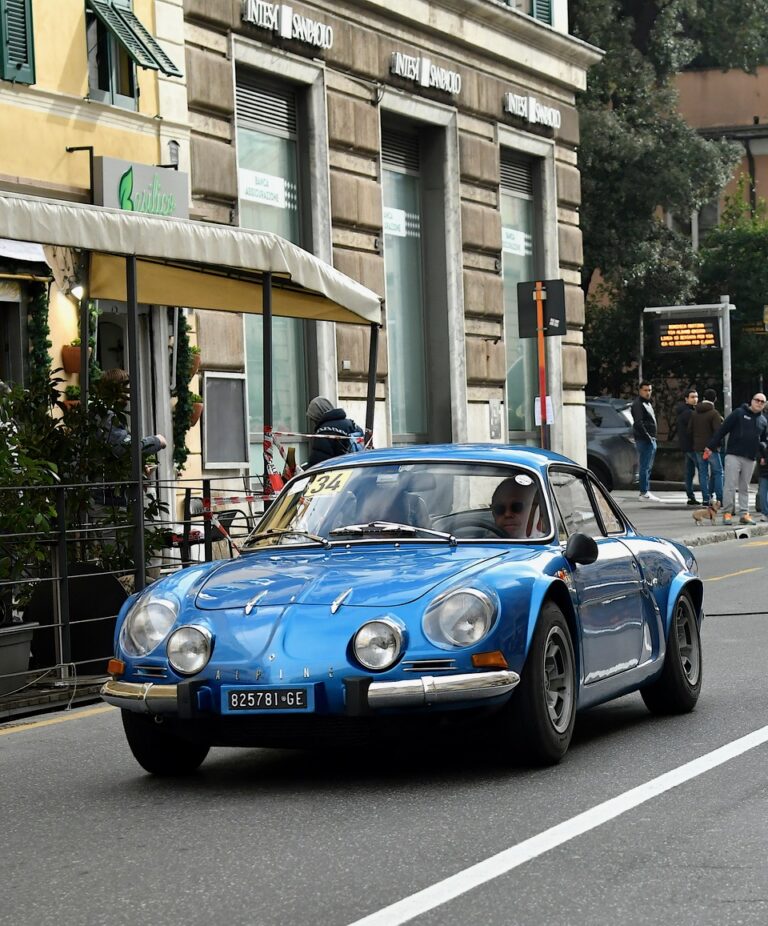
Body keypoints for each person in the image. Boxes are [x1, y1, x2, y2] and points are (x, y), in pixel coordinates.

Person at [704, 392, 768, 525]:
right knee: (730, 485)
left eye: (762, 402)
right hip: (734, 454)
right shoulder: (739, 413)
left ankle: (744, 514)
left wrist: (763, 456)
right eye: (757, 400)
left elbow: (764, 441)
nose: (759, 403)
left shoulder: (763, 421)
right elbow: (723, 430)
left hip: (750, 458)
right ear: (751, 401)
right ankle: (727, 513)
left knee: (744, 487)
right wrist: (710, 447)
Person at [688, 387, 724, 506]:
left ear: (703, 399)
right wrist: (717, 445)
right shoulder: (714, 413)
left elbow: (689, 430)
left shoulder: (694, 413)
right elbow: (718, 432)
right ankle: (720, 499)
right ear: (715, 399)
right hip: (712, 448)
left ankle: (705, 499)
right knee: (718, 472)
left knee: (703, 474)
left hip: (698, 447)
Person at [306, 396, 362, 467]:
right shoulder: (352, 424)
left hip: (339, 473)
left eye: (313, 419)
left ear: (318, 415)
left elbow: (318, 462)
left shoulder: (324, 431)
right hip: (358, 471)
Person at [631, 381, 659, 501]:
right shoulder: (638, 404)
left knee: (647, 466)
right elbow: (638, 423)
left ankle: (645, 491)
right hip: (645, 440)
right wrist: (648, 437)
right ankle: (644, 492)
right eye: (645, 390)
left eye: (649, 390)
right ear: (640, 390)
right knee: (645, 466)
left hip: (650, 439)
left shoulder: (647, 403)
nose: (648, 392)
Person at [675, 386, 699, 505]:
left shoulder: (684, 411)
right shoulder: (689, 413)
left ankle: (690, 496)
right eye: (692, 397)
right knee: (702, 470)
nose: (695, 399)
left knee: (689, 472)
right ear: (686, 399)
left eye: (696, 397)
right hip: (692, 446)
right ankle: (705, 496)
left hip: (686, 446)